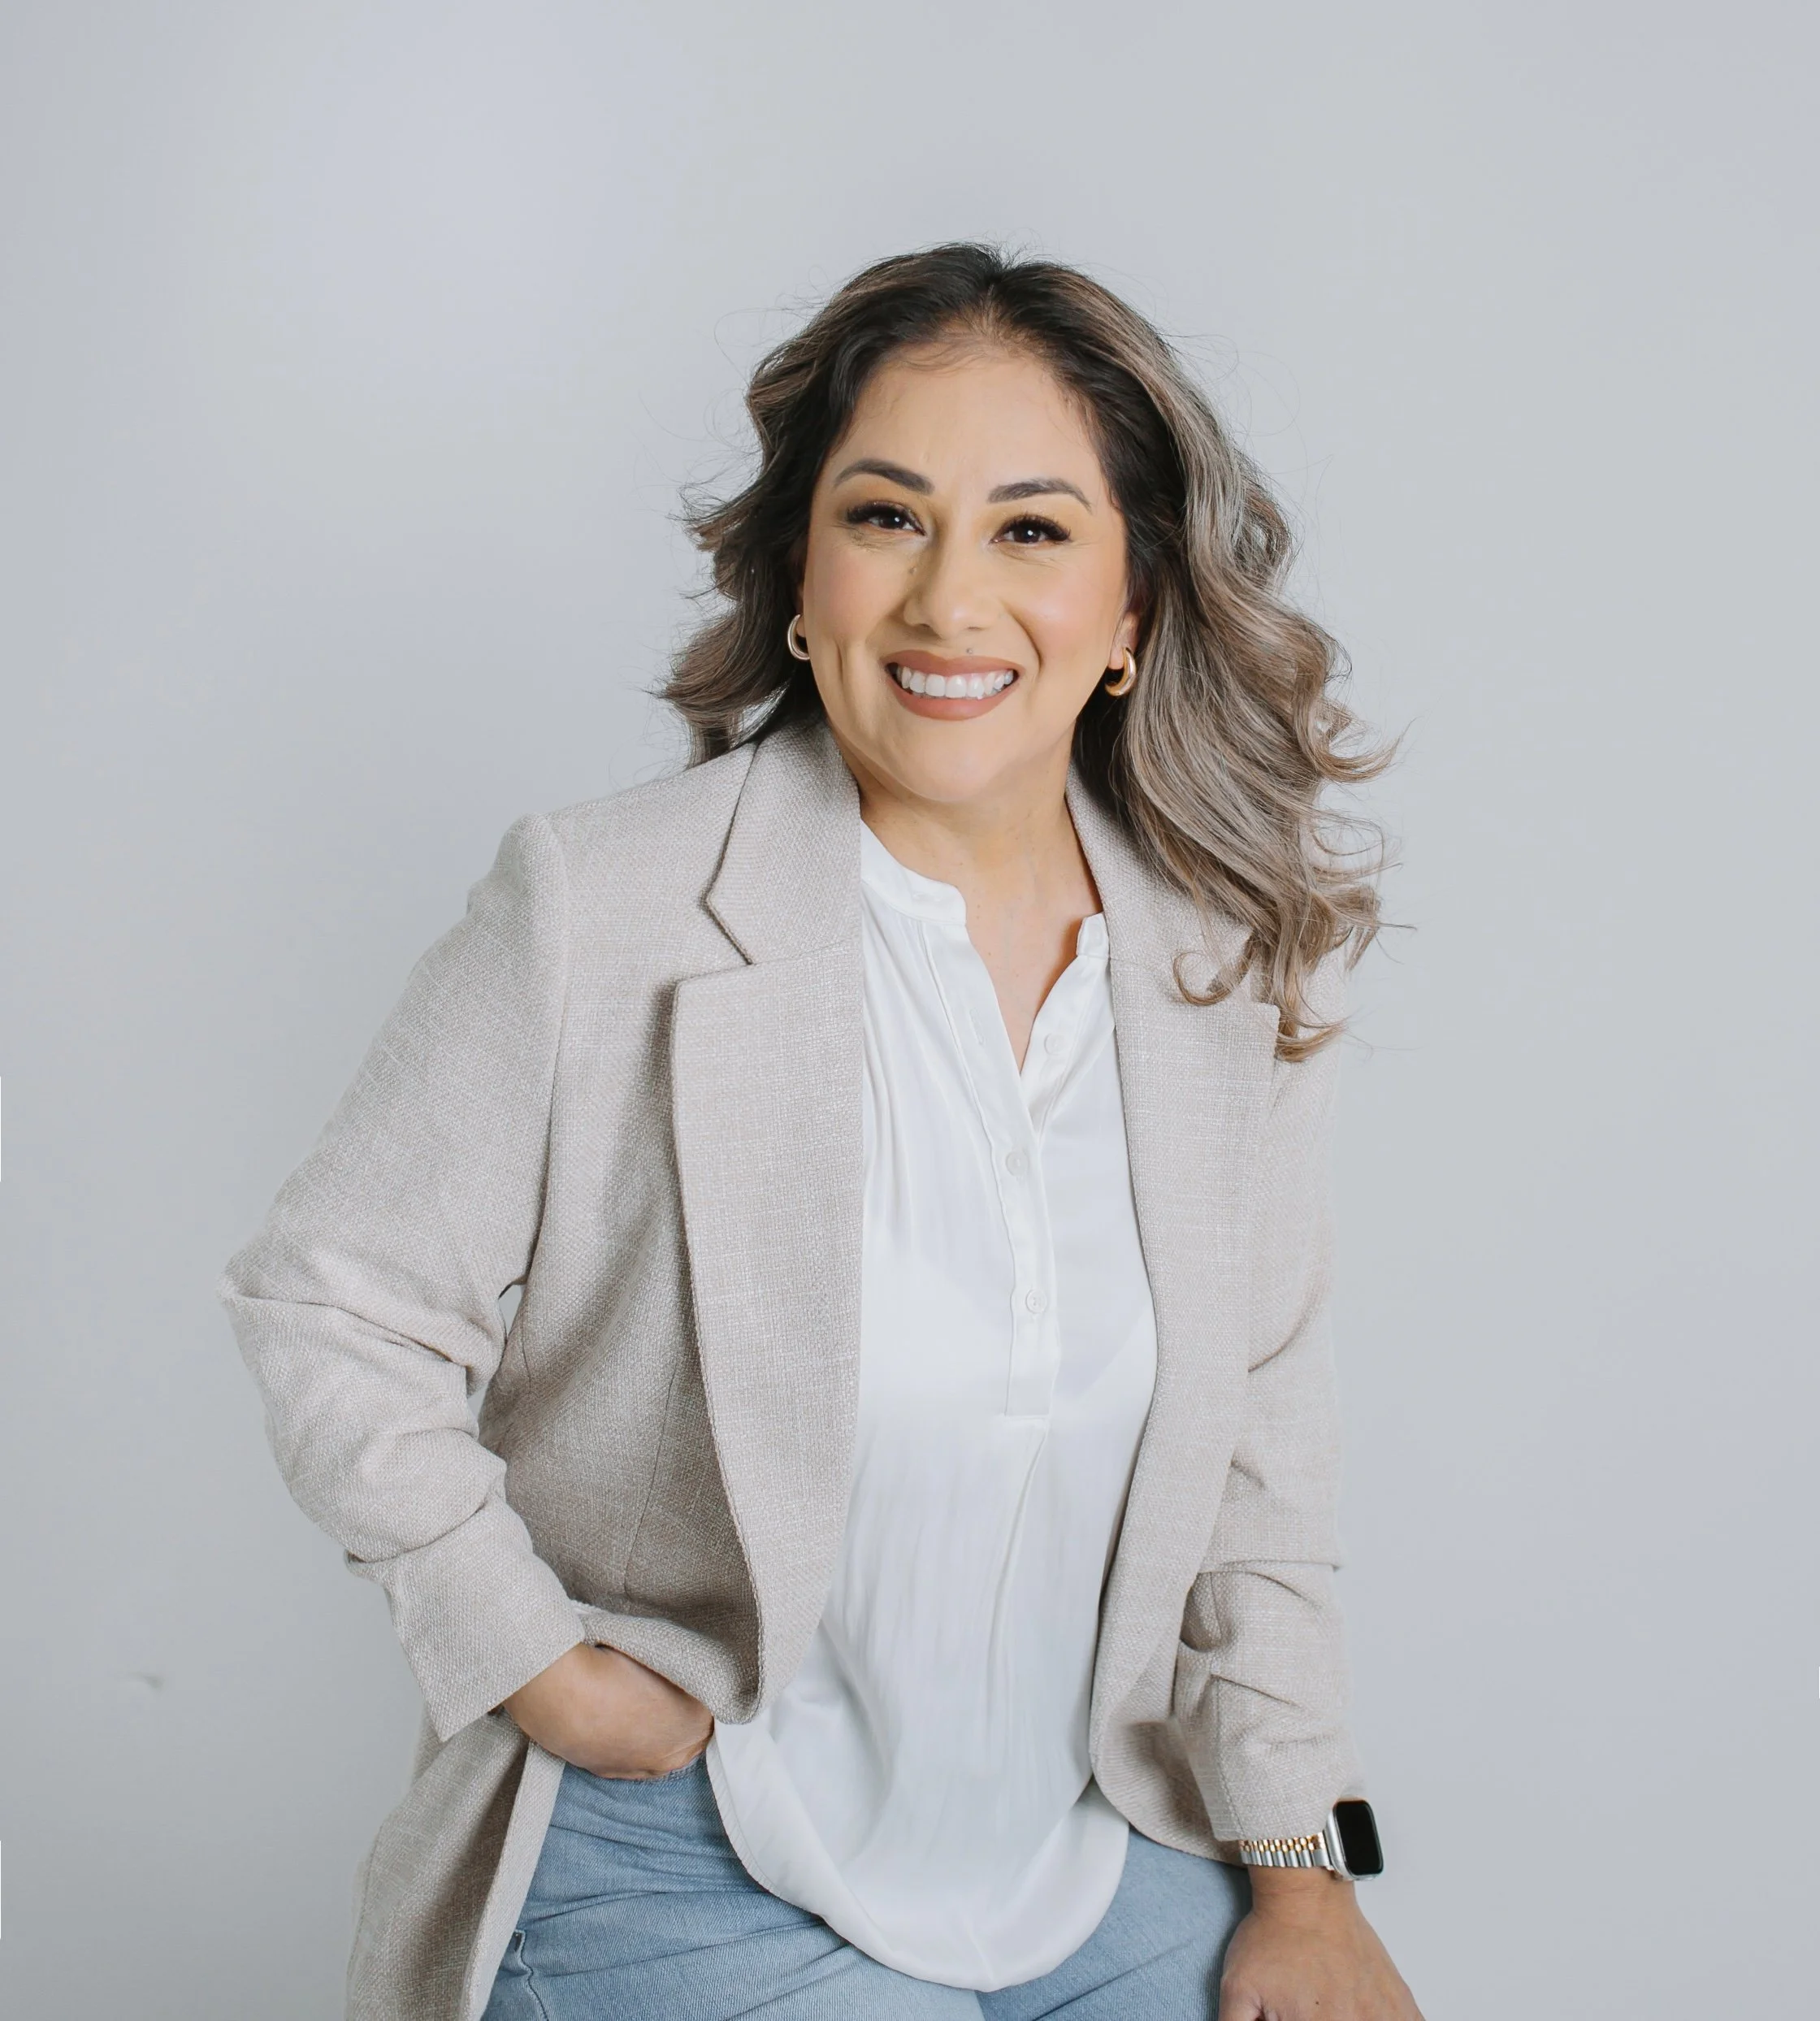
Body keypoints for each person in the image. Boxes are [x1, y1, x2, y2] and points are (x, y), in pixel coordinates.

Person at [219, 243, 1423, 2021]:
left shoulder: (1213, 978)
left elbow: (1255, 1490)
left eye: (1029, 530)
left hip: (1096, 1856)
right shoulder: (605, 905)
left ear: (1134, 609)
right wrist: (539, 1661)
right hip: (688, 1852)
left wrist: (1300, 1872)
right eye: (885, 518)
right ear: (803, 574)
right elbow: (329, 1302)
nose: (950, 600)